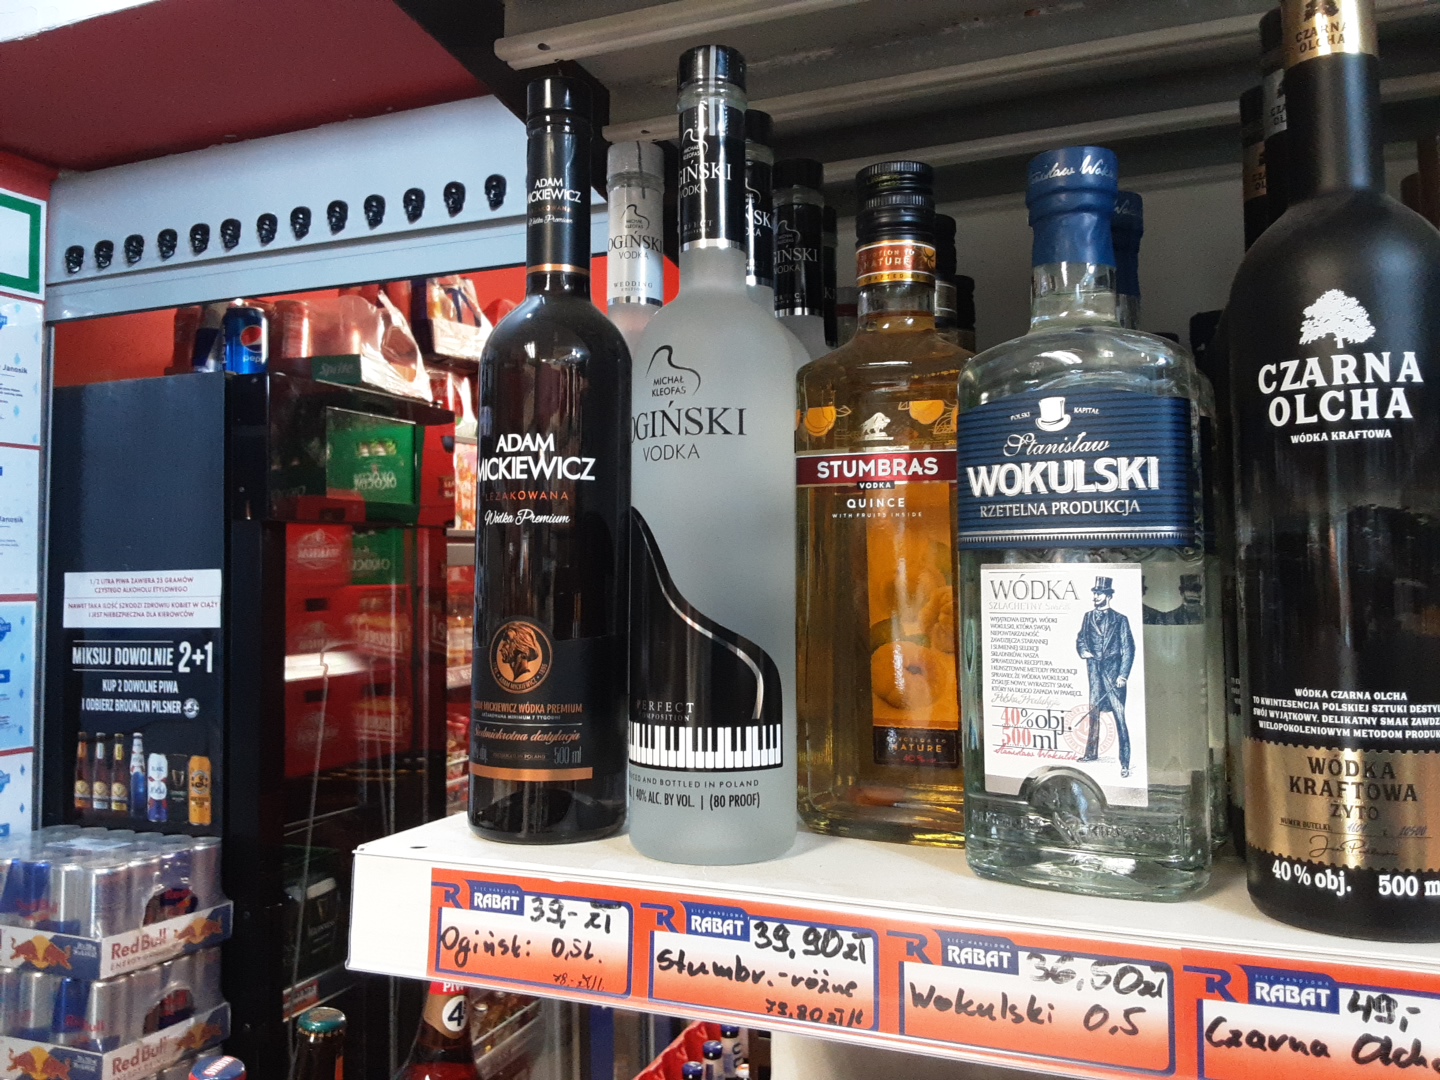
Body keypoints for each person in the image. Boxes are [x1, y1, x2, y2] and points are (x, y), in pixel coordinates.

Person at [1075, 575, 1136, 777]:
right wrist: (1084, 651)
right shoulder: (1087, 617)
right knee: (1093, 713)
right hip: (1094, 673)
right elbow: (1081, 639)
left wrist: (1123, 675)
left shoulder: (1121, 620)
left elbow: (1128, 649)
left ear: (1108, 596)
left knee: (1120, 717)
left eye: (1099, 593)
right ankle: (1090, 753)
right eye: (1094, 593)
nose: (1095, 596)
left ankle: (1125, 762)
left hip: (1114, 675)